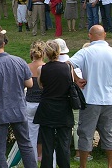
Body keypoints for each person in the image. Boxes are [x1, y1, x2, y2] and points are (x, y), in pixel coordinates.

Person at [69, 25, 112, 168]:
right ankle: (111, 165)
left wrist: (76, 78)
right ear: (105, 35)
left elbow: (67, 64)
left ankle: (83, 165)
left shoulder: (85, 52)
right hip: (109, 99)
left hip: (90, 99)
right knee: (110, 133)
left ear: (90, 35)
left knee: (86, 133)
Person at [0, 31, 37, 168]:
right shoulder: (19, 61)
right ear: (3, 44)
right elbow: (30, 84)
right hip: (18, 108)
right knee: (25, 144)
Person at [33, 40, 74, 168]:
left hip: (47, 108)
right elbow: (70, 84)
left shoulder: (42, 69)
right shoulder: (68, 67)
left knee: (47, 145)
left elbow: (41, 86)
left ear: (46, 53)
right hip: (63, 108)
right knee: (64, 144)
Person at [26, 40, 46, 162]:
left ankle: (31, 160)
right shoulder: (45, 68)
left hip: (30, 102)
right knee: (46, 133)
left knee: (31, 135)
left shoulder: (27, 67)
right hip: (43, 103)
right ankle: (47, 158)